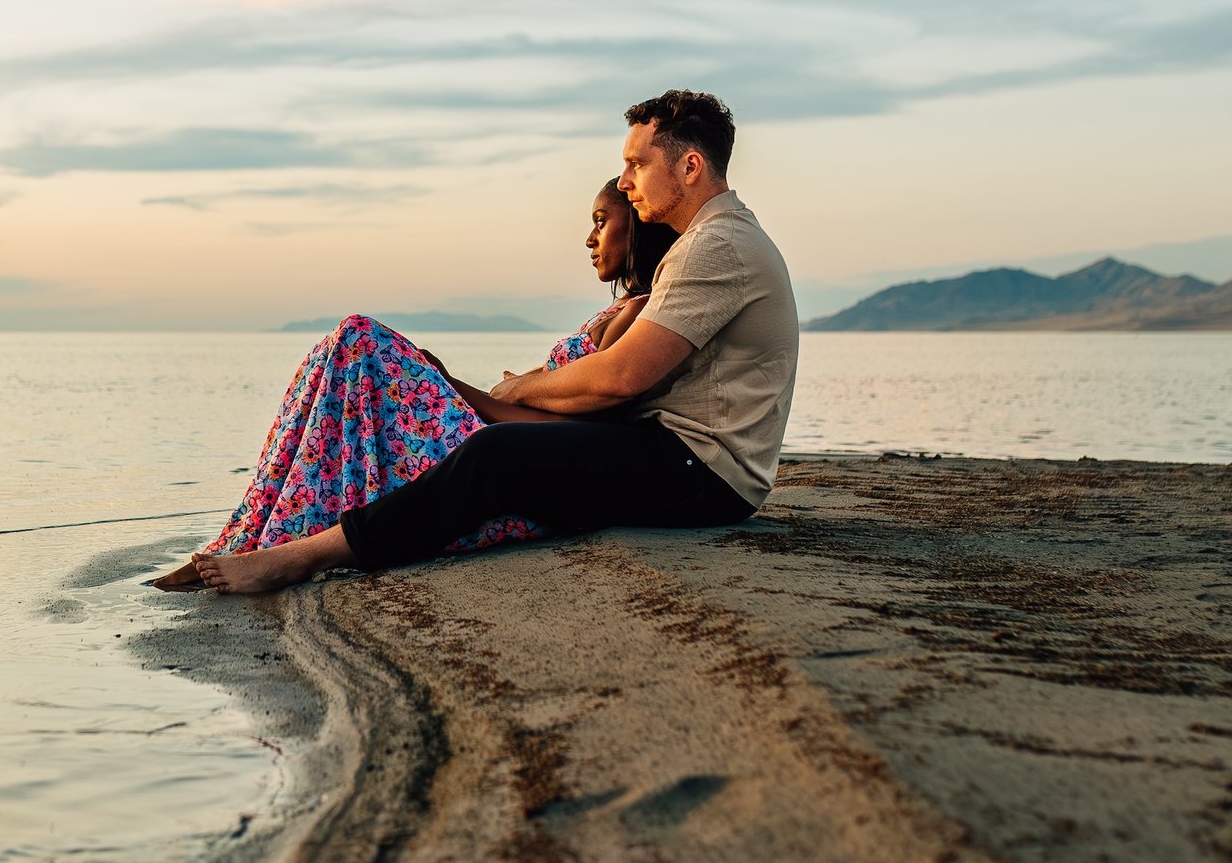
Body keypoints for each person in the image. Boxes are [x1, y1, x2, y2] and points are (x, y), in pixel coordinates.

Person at [188, 89, 796, 595]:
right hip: (674, 452)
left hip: (704, 473)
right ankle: (290, 528)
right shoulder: (707, 243)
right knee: (495, 449)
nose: (625, 180)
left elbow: (620, 377)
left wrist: (517, 387)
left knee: (495, 456)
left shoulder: (719, 245)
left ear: (690, 166)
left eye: (638, 163)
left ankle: (303, 555)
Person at [149, 182, 675, 591]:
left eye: (603, 222)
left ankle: (276, 538)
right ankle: (257, 530)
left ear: (640, 230)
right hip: (497, 439)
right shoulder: (614, 310)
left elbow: (578, 432)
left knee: (360, 339)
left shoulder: (639, 315)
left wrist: (459, 389)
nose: (589, 238)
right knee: (344, 354)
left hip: (514, 464)